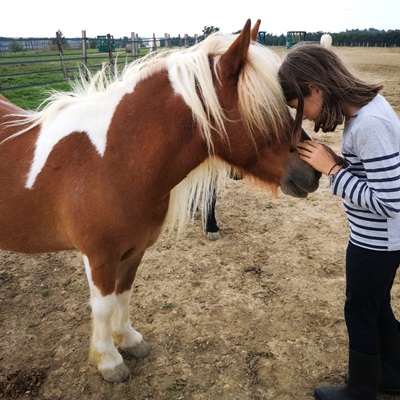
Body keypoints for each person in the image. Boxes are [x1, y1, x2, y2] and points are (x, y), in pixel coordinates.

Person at [278, 43, 400, 400]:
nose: (305, 119)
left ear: (315, 89)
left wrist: (332, 170)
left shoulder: (369, 124)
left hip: (377, 241)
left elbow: (391, 201)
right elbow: (375, 177)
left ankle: (361, 390)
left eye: (299, 108)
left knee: (359, 312)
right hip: (377, 238)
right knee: (376, 306)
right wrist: (339, 162)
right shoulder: (367, 112)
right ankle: (393, 374)